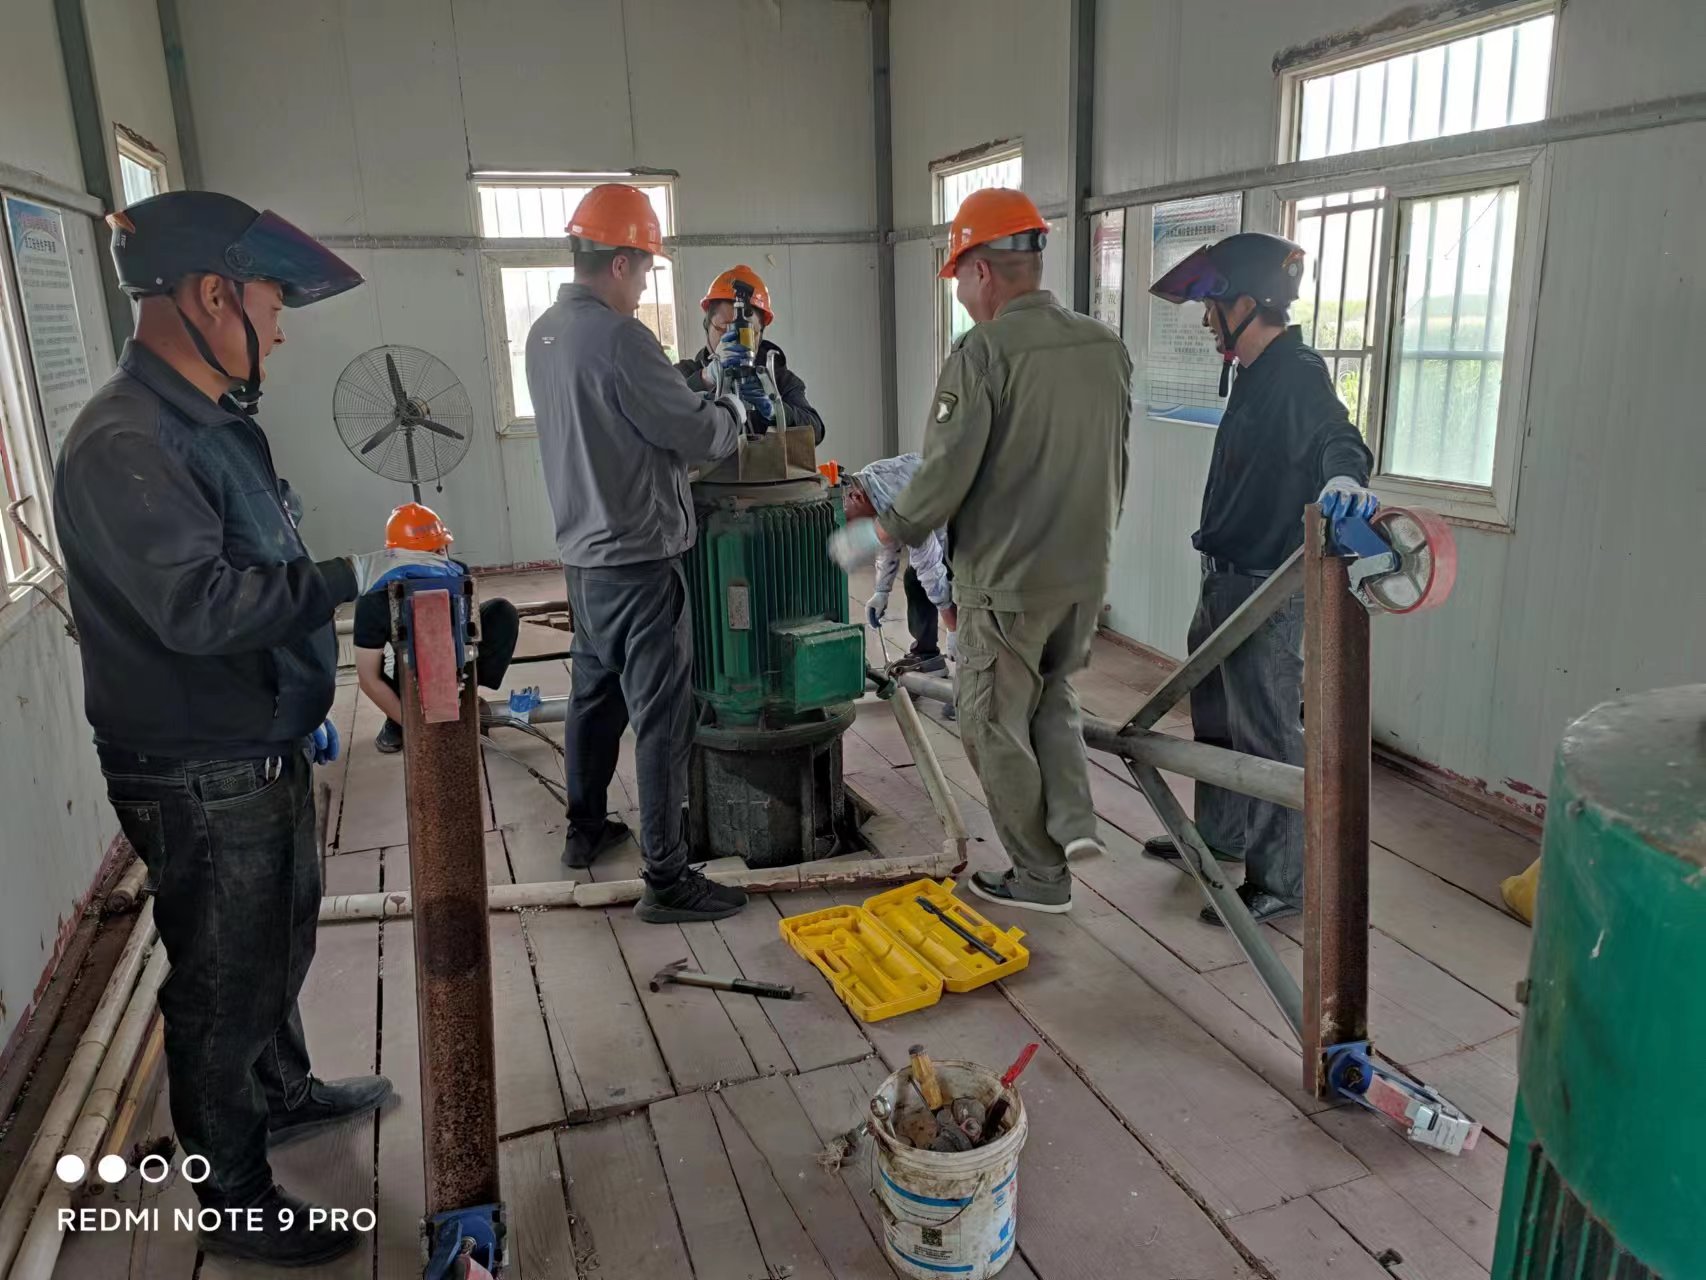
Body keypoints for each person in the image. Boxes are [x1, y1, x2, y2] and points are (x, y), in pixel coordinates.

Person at [54, 191, 454, 1266]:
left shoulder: (211, 422)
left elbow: (250, 561)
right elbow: (200, 608)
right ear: (210, 295)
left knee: (277, 939)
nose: (279, 332)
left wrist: (296, 696)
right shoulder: (126, 441)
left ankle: (280, 1093)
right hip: (198, 765)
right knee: (223, 983)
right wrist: (353, 576)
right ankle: (233, 1196)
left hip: (253, 740)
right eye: (272, 307)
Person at [830, 188, 1131, 914]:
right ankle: (1073, 825)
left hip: (1007, 579)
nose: (961, 296)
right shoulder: (1103, 345)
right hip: (1082, 574)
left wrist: (883, 531)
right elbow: (1116, 462)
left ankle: (1039, 876)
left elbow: (945, 472)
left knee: (989, 720)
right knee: (1051, 697)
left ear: (982, 271)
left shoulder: (984, 352)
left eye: (958, 279)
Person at [527, 183, 762, 922]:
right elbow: (692, 431)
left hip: (583, 558)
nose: (645, 286)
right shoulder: (621, 338)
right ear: (623, 261)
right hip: (638, 558)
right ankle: (667, 877)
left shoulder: (544, 333)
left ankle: (586, 829)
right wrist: (730, 410)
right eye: (648, 269)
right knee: (662, 719)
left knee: (594, 700)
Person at [1145, 231, 1378, 925]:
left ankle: (1281, 879)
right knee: (1217, 718)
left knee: (1269, 734)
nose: (1205, 319)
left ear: (1245, 303)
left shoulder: (1296, 372)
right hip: (1222, 580)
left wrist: (1345, 478)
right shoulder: (1254, 373)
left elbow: (1339, 436)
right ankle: (1221, 836)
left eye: (1211, 306)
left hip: (1262, 591)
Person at [351, 502, 521, 752]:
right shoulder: (375, 598)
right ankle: (398, 718)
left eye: (440, 551)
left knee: (502, 613)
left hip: (452, 654)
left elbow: (467, 635)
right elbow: (369, 678)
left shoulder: (458, 575)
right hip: (410, 667)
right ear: (397, 558)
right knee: (411, 654)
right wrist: (412, 725)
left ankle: (466, 698)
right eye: (425, 555)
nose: (437, 561)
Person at [675, 264, 825, 443]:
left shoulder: (778, 378)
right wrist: (705, 378)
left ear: (761, 333)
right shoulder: (682, 374)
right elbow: (660, 414)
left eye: (747, 332)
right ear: (707, 326)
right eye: (724, 328)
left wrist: (778, 411)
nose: (734, 339)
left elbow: (816, 431)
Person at [845, 455, 955, 683]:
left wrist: (954, 630)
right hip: (944, 511)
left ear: (856, 497)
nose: (849, 527)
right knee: (915, 579)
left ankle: (973, 658)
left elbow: (930, 565)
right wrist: (882, 591)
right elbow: (889, 538)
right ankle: (927, 657)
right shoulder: (869, 482)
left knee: (941, 579)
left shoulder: (897, 500)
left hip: (969, 523)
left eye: (847, 520)